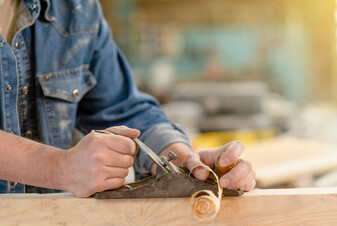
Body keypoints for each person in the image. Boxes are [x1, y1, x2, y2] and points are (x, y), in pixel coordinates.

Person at [0, 0, 256, 197]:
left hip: (52, 224)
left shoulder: (76, 10)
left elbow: (123, 109)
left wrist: (184, 162)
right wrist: (60, 167)